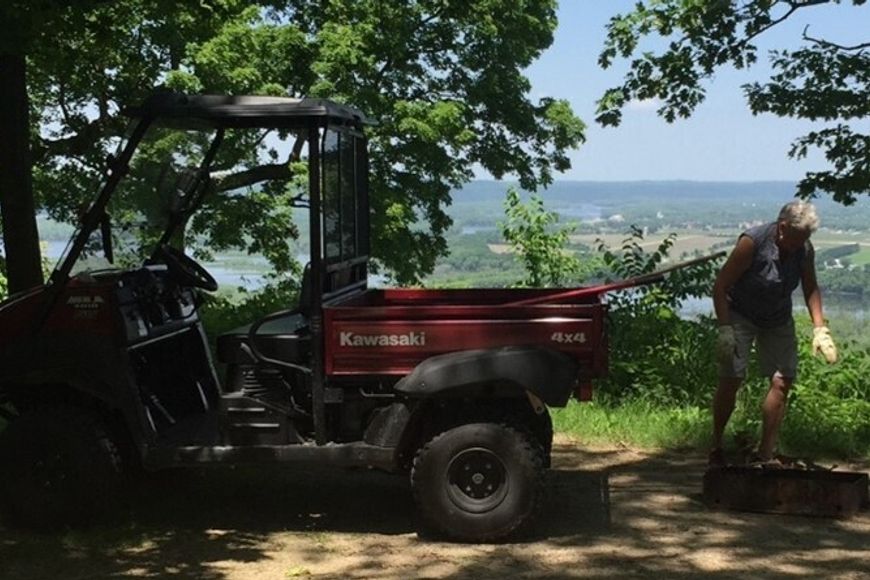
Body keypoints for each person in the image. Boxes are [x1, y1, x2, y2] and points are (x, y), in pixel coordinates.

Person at [709, 200, 838, 466]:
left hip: (777, 317)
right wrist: (725, 329)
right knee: (732, 377)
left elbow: (810, 286)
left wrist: (819, 328)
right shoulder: (752, 243)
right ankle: (717, 444)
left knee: (782, 380)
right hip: (740, 314)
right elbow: (720, 286)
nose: (798, 245)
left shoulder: (804, 248)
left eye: (805, 239)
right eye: (795, 239)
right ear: (782, 227)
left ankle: (765, 453)